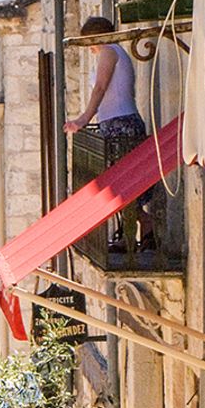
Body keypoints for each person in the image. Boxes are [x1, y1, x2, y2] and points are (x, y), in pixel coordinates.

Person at [64, 16, 158, 251]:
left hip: (120, 124)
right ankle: (137, 231)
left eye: (90, 42)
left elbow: (100, 87)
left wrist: (83, 119)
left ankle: (139, 229)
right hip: (117, 123)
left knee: (121, 184)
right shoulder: (115, 52)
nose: (90, 48)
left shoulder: (109, 50)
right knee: (121, 184)